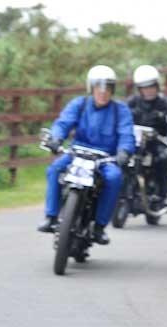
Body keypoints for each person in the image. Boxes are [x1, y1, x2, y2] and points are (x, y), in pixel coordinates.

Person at [37, 65, 134, 245]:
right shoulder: (79, 104)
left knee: (114, 177)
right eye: (99, 87)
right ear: (91, 87)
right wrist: (56, 138)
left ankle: (99, 227)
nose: (103, 92)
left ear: (113, 90)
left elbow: (126, 133)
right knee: (54, 170)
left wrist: (124, 152)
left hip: (105, 159)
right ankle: (51, 217)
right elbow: (63, 123)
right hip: (77, 153)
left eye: (108, 87)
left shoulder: (121, 110)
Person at [126, 64, 167, 207]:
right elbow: (120, 119)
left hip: (158, 142)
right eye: (145, 87)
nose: (148, 90)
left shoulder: (166, 103)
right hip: (136, 142)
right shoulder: (131, 103)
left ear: (157, 86)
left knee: (164, 159)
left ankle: (162, 195)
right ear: (139, 89)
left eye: (151, 86)